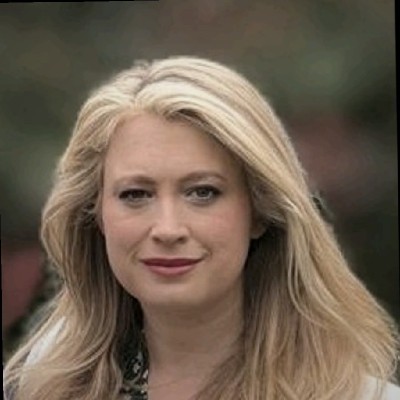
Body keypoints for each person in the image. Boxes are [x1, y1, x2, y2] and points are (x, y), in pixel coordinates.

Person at [3, 56, 399, 400]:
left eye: (203, 192)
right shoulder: (39, 388)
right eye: (136, 194)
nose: (168, 229)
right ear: (96, 215)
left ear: (260, 211)